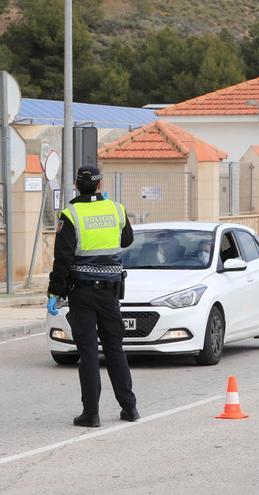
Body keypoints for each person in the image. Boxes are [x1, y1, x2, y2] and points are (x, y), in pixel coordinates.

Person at [47, 165, 138, 428]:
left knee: (88, 353)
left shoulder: (71, 213)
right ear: (100, 185)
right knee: (114, 350)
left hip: (82, 292)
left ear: (76, 185)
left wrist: (55, 292)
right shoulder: (116, 209)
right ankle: (129, 407)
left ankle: (91, 414)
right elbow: (127, 240)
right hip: (110, 293)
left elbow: (62, 258)